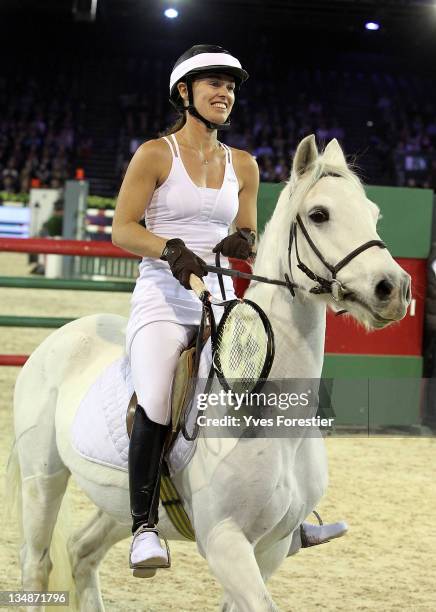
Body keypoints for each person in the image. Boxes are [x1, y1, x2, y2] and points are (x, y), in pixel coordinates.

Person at [112, 44, 347, 579]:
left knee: (278, 383)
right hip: (162, 300)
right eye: (214, 83)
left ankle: (291, 515)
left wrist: (245, 242)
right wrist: (171, 250)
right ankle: (143, 526)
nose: (225, 93)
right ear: (184, 93)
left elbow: (245, 229)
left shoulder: (244, 163)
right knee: (154, 396)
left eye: (231, 86)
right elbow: (122, 228)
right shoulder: (155, 154)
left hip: (221, 298)